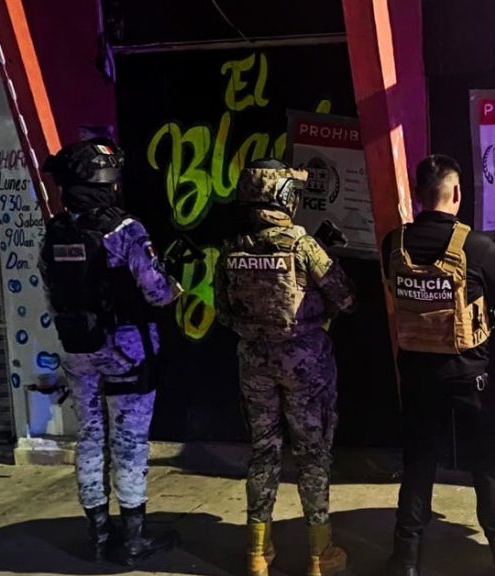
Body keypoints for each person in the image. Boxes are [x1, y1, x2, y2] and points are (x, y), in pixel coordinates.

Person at [381, 154, 495, 576]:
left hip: (417, 373)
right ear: (456, 193)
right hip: (471, 376)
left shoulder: (393, 244)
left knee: (419, 464)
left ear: (419, 194)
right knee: (486, 467)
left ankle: (405, 561)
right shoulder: (478, 247)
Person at [40, 138, 183, 565]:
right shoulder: (125, 230)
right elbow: (157, 293)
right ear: (107, 180)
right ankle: (134, 538)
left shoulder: (55, 231)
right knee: (129, 441)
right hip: (126, 350)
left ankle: (98, 536)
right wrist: (176, 284)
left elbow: (51, 293)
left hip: (78, 348)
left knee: (88, 437)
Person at [214, 159, 356, 576]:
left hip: (254, 363)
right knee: (313, 455)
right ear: (284, 198)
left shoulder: (230, 249)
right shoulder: (303, 245)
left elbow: (223, 313)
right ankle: (319, 553)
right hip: (305, 364)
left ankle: (257, 554)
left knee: (263, 452)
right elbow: (347, 299)